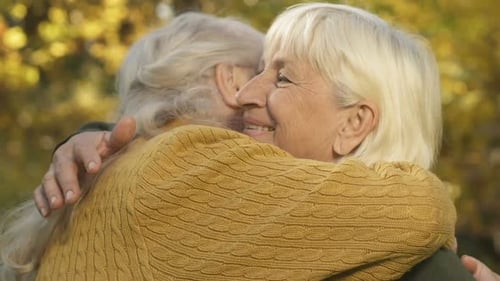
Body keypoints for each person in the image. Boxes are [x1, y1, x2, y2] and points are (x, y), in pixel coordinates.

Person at [0, 3, 477, 281]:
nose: (248, 94)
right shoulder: (178, 164)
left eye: (281, 77)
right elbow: (419, 208)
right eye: (256, 70)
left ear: (354, 124)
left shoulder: (129, 167)